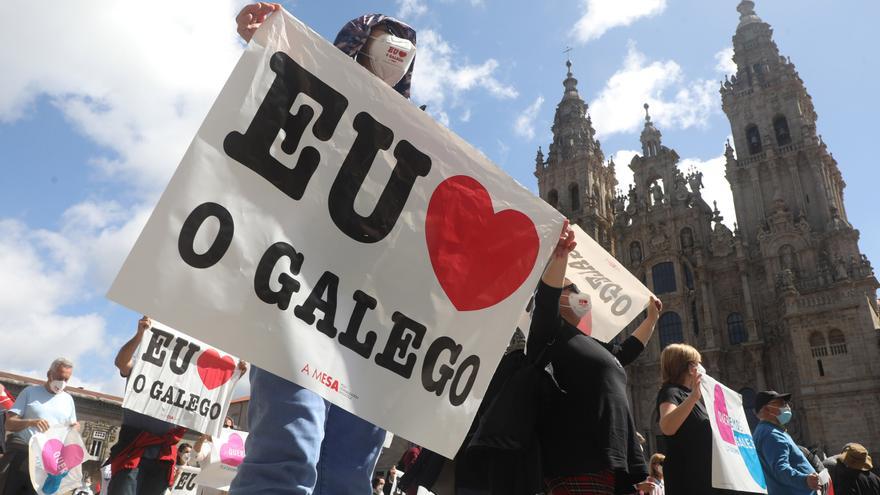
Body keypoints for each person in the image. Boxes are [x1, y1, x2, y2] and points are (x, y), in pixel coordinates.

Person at [229, 4, 419, 495]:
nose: (394, 60)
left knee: (350, 471)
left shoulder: (421, 140)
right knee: (287, 450)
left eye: (403, 53)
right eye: (383, 45)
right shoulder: (311, 102)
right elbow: (263, 130)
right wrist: (262, 45)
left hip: (371, 325)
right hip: (295, 298)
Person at [529, 220, 660, 495]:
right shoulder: (550, 334)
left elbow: (626, 352)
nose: (579, 295)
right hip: (578, 458)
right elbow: (546, 298)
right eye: (572, 290)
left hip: (612, 462)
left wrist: (652, 318)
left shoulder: (594, 344)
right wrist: (561, 255)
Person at [105, 316, 188, 495]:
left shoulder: (187, 379)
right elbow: (121, 362)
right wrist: (139, 335)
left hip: (163, 453)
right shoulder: (143, 365)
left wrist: (233, 374)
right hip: (133, 446)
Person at [1, 358, 78, 495]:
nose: (62, 383)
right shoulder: (29, 392)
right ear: (49, 374)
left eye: (66, 380)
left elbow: (73, 428)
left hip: (47, 461)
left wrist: (75, 428)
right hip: (21, 452)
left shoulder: (68, 400)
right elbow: (9, 424)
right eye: (59, 378)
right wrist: (31, 422)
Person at [655, 343, 720, 494]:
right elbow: (667, 426)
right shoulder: (671, 392)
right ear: (691, 368)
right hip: (688, 479)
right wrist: (693, 397)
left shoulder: (692, 397)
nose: (701, 368)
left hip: (704, 477)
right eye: (698, 363)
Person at [752, 390, 820, 495]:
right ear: (766, 409)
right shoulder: (771, 434)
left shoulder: (771, 431)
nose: (787, 407)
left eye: (786, 403)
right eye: (781, 404)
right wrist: (804, 480)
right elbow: (780, 469)